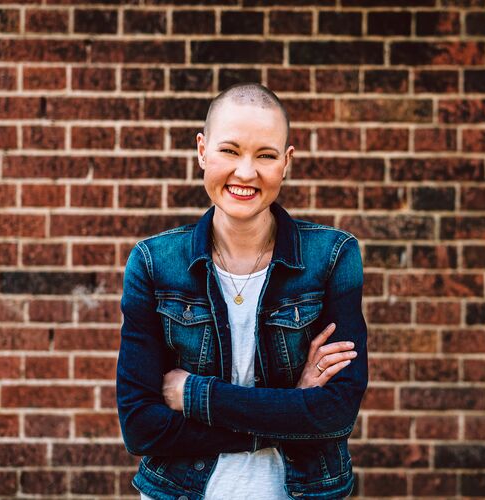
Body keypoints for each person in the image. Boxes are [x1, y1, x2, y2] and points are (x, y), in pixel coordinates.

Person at [116, 82, 369, 500]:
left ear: (286, 162)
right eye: (229, 151)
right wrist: (291, 407)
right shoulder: (153, 264)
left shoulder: (332, 258)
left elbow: (335, 413)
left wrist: (194, 395)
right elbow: (141, 427)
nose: (246, 172)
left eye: (265, 155)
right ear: (202, 150)